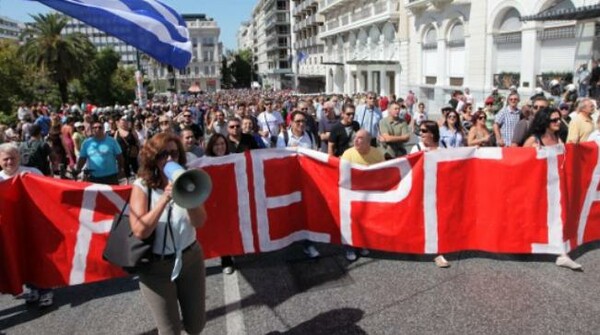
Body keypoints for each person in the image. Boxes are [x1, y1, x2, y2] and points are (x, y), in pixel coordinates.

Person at [129, 133, 207, 334]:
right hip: (156, 267)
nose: (169, 159)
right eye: (163, 154)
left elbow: (199, 221)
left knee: (196, 324)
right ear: (153, 158)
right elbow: (140, 230)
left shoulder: (188, 178)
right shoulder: (142, 186)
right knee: (170, 331)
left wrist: (187, 195)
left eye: (173, 153)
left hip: (190, 259)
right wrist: (164, 199)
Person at [522, 107, 583, 271]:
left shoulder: (558, 137)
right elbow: (520, 166)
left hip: (555, 188)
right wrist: (533, 154)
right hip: (536, 190)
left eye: (558, 119)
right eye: (554, 120)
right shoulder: (533, 140)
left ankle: (561, 254)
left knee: (558, 218)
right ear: (545, 122)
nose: (558, 122)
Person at [0, 143, 54, 307]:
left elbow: (48, 194)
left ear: (19, 157)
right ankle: (33, 288)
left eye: (13, 158)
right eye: (5, 159)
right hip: (11, 228)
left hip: (33, 225)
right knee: (20, 258)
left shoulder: (32, 172)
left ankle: (46, 289)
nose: (10, 162)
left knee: (39, 257)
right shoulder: (0, 179)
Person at [409, 121, 449, 268]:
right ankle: (426, 248)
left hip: (440, 188)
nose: (421, 134)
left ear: (432, 133)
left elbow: (455, 159)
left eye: (424, 131)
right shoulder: (417, 147)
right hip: (422, 188)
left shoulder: (443, 146)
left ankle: (438, 252)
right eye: (420, 130)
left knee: (438, 220)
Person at [340, 129, 383, 261]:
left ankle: (362, 244)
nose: (356, 140)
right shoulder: (348, 154)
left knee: (365, 222)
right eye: (355, 138)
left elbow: (383, 173)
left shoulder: (377, 153)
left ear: (368, 142)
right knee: (351, 222)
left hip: (369, 194)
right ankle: (349, 248)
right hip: (351, 194)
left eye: (360, 138)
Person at [204, 133, 238, 273]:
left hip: (231, 198)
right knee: (221, 229)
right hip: (215, 202)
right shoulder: (205, 162)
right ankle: (226, 259)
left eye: (222, 144)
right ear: (211, 147)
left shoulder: (233, 159)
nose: (220, 147)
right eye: (217, 144)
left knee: (232, 226)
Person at [75, 120, 124, 185]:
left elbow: (119, 156)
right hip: (94, 177)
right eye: (94, 128)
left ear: (103, 129)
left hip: (111, 176)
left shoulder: (112, 141)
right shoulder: (86, 143)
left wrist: (121, 169)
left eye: (100, 127)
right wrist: (78, 169)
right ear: (91, 130)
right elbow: (82, 158)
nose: (97, 129)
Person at [115, 116, 140, 181]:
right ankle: (127, 181)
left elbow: (137, 141)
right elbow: (115, 142)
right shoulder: (117, 132)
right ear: (119, 123)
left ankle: (137, 181)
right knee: (125, 168)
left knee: (135, 167)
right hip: (122, 154)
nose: (123, 123)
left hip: (132, 153)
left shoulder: (131, 131)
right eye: (122, 121)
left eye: (124, 121)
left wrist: (138, 149)